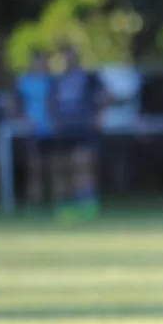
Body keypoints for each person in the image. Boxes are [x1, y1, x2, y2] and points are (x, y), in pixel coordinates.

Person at [50, 45, 105, 222]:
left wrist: (98, 115)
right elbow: (50, 103)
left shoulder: (88, 77)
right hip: (64, 130)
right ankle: (66, 208)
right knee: (64, 169)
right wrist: (55, 121)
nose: (67, 61)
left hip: (83, 128)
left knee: (84, 165)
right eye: (64, 57)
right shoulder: (57, 81)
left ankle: (88, 206)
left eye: (70, 57)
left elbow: (108, 95)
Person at [10, 49, 55, 208]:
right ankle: (34, 205)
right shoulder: (22, 81)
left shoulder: (52, 81)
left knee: (55, 168)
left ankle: (55, 204)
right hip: (31, 131)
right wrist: (22, 120)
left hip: (52, 130)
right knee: (34, 168)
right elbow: (14, 105)